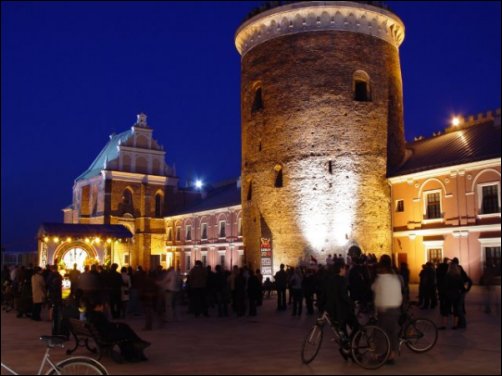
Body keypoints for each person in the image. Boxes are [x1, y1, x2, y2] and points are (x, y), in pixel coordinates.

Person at [85, 296, 150, 362]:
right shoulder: (98, 316)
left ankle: (136, 346)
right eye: (102, 305)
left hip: (103, 335)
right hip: (106, 336)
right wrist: (117, 326)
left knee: (125, 328)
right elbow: (107, 327)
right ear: (98, 306)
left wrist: (117, 325)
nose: (103, 307)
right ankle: (137, 345)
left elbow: (105, 326)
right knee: (126, 333)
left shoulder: (91, 314)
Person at [372, 255, 403, 364]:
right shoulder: (395, 278)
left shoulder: (381, 278)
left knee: (380, 333)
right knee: (392, 333)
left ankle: (377, 356)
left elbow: (376, 292)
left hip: (384, 310)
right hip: (395, 309)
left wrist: (377, 308)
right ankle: (391, 356)